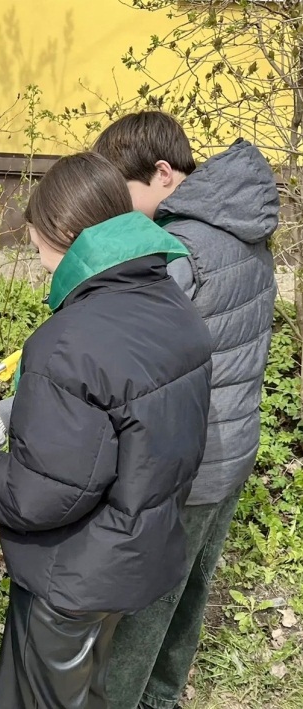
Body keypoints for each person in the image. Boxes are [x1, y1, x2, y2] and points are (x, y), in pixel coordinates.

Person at [0, 152, 213, 709]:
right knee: (85, 692)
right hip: (131, 553)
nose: (41, 262)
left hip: (71, 574)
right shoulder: (171, 303)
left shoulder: (65, 342)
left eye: (38, 246)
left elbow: (40, 495)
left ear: (66, 235)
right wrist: (7, 416)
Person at [93, 113, 279, 709]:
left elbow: (122, 359)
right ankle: (162, 698)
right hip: (233, 445)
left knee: (146, 605)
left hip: (188, 461)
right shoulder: (242, 227)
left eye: (123, 194)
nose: (118, 212)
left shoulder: (182, 248)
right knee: (190, 591)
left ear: (163, 174)